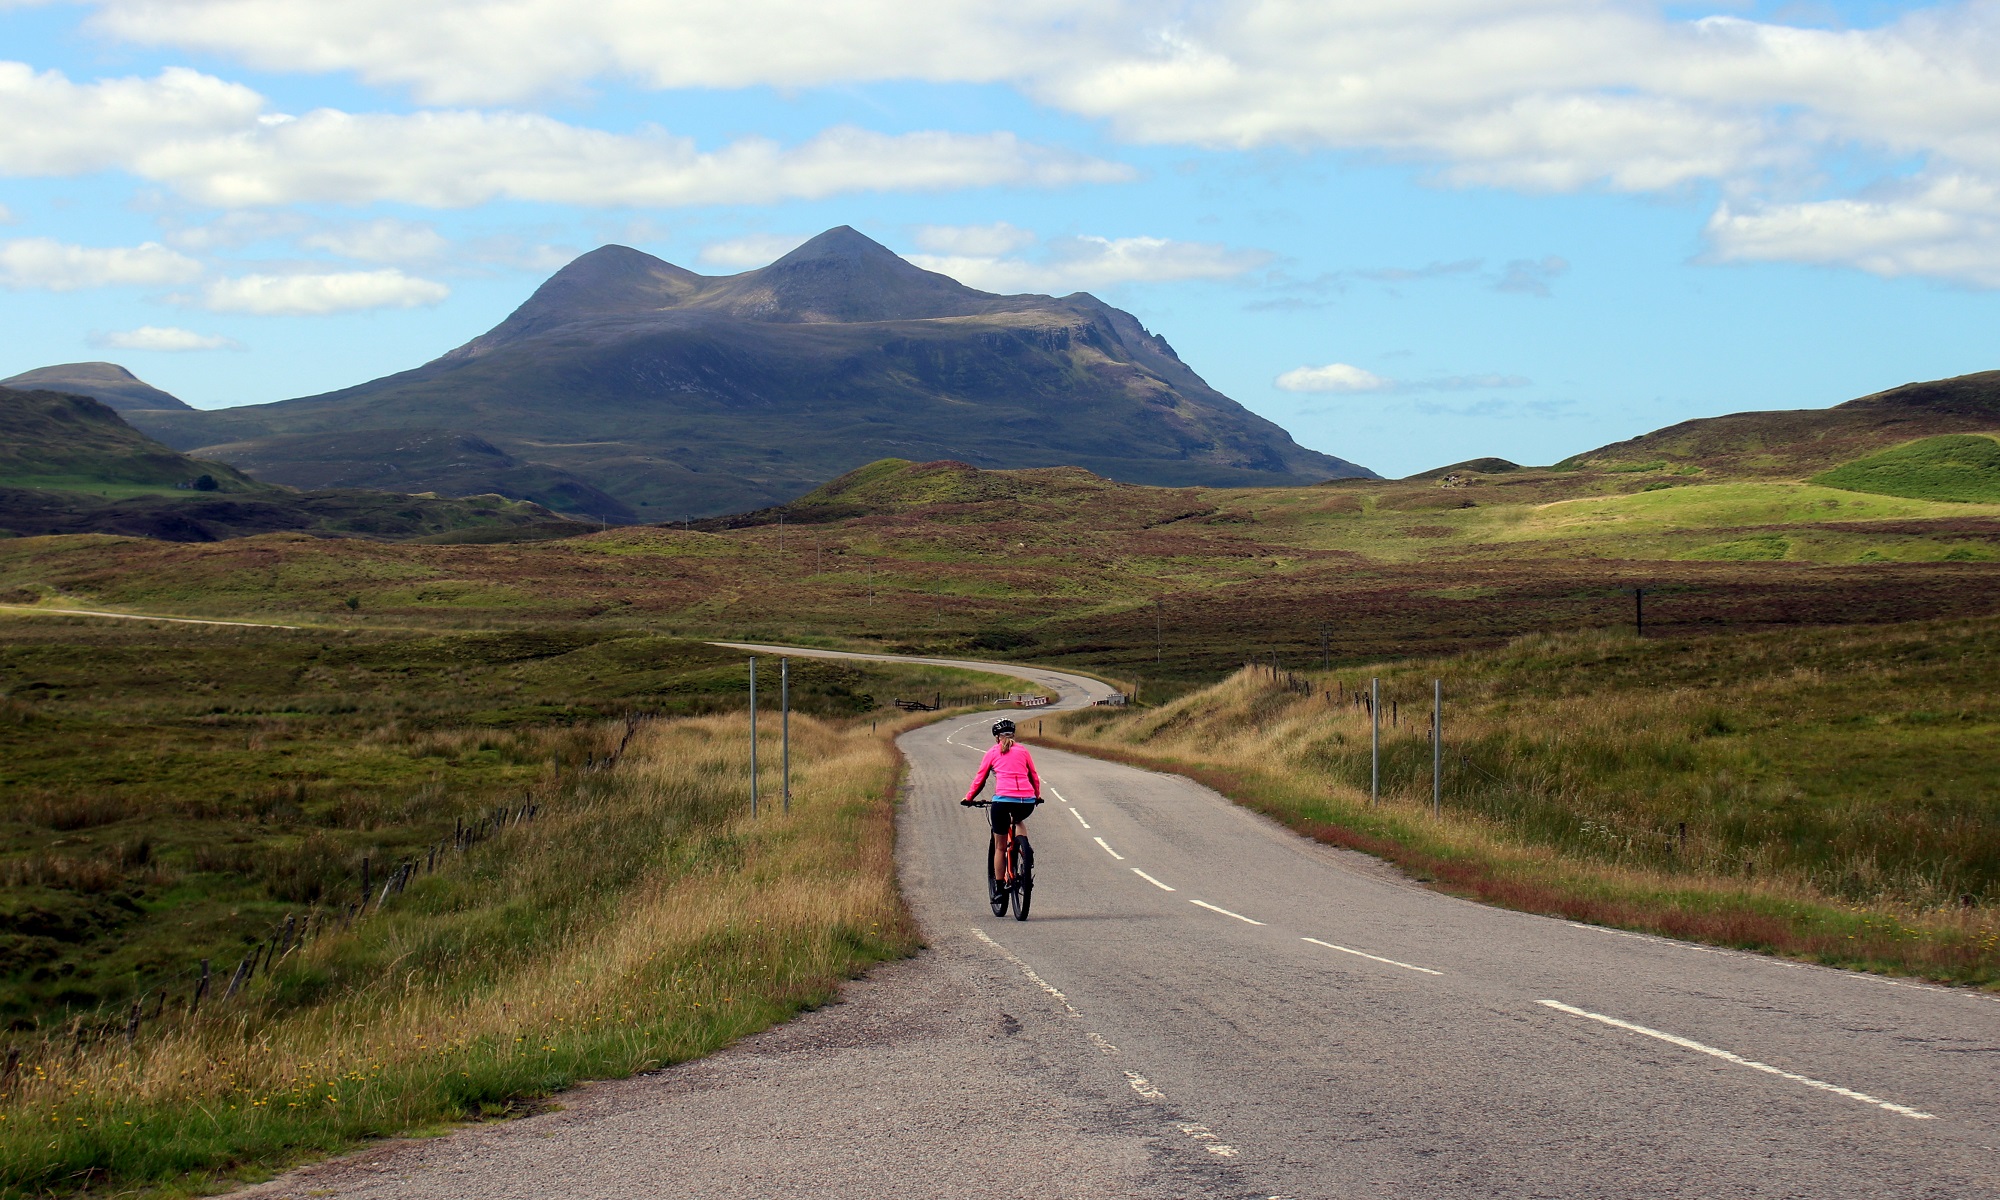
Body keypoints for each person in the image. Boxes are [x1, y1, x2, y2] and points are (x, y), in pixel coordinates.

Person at [961, 718, 1041, 897]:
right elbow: (1033, 776)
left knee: (1000, 847)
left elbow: (980, 779)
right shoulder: (1023, 751)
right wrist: (1037, 796)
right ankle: (1025, 852)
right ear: (1013, 735)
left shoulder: (992, 752)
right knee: (1018, 819)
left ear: (997, 737)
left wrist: (969, 798)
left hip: (1002, 802)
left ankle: (998, 889)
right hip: (1026, 802)